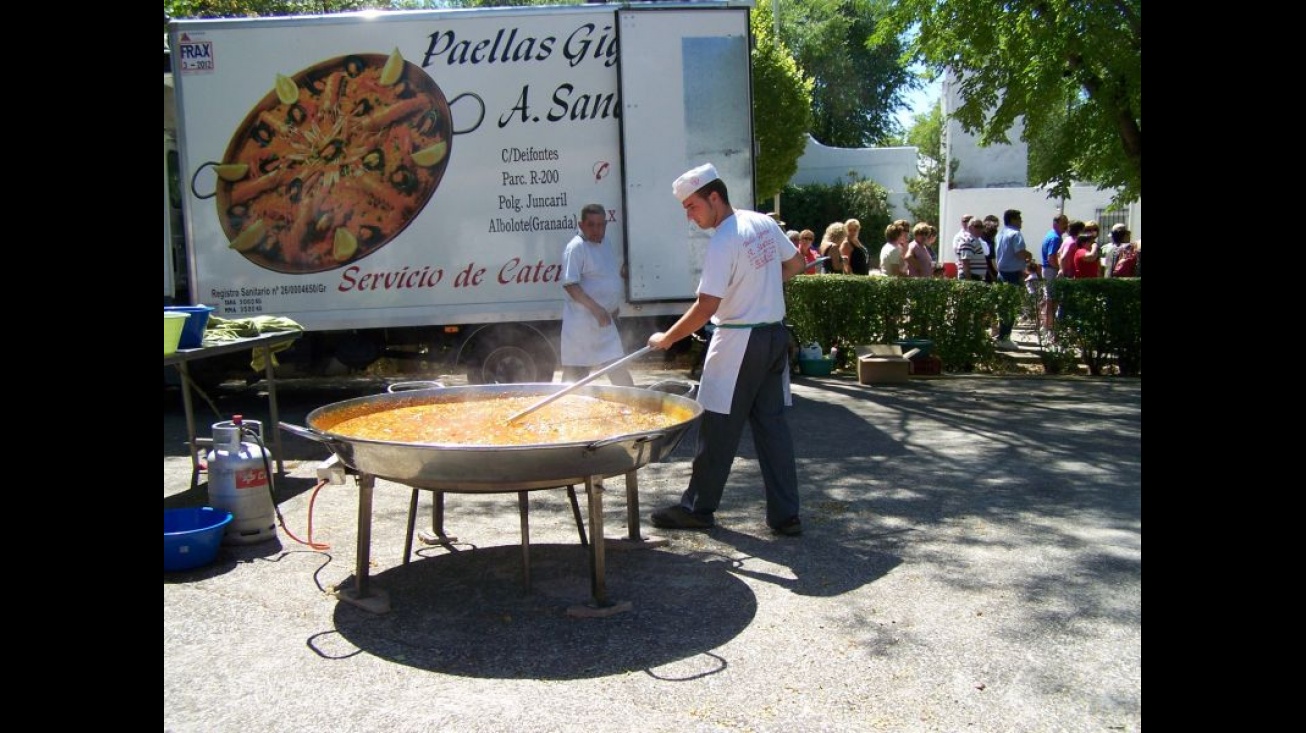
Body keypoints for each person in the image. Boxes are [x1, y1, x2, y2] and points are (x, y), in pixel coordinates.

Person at [646, 163, 807, 536]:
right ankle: (786, 516)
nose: (689, 215)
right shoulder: (762, 223)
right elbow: (796, 264)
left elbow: (706, 306)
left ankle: (698, 508)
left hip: (738, 341)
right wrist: (757, 286)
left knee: (718, 428)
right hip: (774, 337)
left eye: (692, 206)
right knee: (773, 428)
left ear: (714, 197)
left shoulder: (723, 239)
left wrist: (667, 337)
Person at [559, 202, 634, 386]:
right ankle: (564, 410)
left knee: (619, 372)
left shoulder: (606, 243)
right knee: (574, 382)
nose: (596, 229)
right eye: (591, 224)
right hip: (581, 327)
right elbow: (571, 285)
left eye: (600, 225)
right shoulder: (576, 247)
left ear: (606, 225)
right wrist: (597, 309)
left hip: (605, 323)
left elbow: (605, 277)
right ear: (581, 225)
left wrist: (612, 307)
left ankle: (633, 407)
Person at [993, 209, 1031, 349]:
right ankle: (1004, 338)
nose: (1021, 221)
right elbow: (1020, 253)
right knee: (1010, 307)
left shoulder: (1001, 233)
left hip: (1001, 273)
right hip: (1012, 274)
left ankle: (1002, 336)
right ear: (1013, 220)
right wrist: (1029, 255)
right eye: (1019, 219)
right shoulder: (1015, 234)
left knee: (1003, 307)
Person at [955, 216, 989, 281]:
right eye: (976, 226)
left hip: (976, 277)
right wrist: (969, 282)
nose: (980, 229)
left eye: (981, 227)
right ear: (970, 228)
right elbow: (965, 263)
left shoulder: (976, 240)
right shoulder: (967, 241)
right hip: (971, 277)